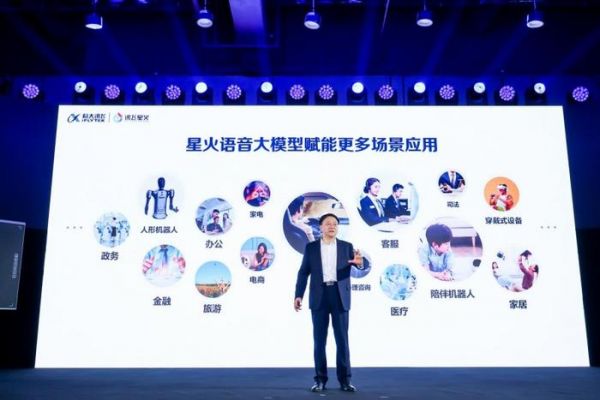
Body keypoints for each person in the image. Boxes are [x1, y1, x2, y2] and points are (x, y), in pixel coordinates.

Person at [294, 213, 363, 393]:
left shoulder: (347, 247)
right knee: (319, 341)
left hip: (339, 296)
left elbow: (358, 264)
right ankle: (320, 380)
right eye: (328, 223)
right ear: (321, 227)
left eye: (335, 224)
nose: (332, 226)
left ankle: (345, 380)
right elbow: (303, 272)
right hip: (319, 296)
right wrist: (298, 295)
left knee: (342, 340)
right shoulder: (311, 248)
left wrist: (359, 264)